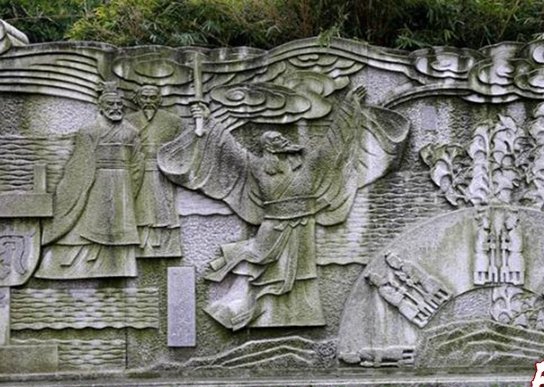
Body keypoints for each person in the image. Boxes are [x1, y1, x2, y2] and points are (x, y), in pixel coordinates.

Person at [158, 86, 409, 330]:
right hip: (272, 228)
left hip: (302, 227)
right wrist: (208, 121)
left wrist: (348, 108)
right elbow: (228, 148)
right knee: (262, 272)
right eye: (277, 140)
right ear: (269, 148)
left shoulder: (307, 167)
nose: (284, 141)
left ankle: (299, 317)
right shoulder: (256, 167)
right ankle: (248, 314)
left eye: (282, 138)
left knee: (301, 277)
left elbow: (333, 145)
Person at [36, 83, 143, 279]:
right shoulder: (88, 131)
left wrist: (131, 190)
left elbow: (137, 165)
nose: (115, 108)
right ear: (100, 107)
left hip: (123, 185)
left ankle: (118, 267)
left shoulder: (131, 132)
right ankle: (73, 264)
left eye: (119, 104)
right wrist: (71, 188)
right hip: (96, 182)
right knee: (89, 223)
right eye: (110, 104)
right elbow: (79, 163)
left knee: (120, 227)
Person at [127, 85, 184, 258]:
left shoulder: (173, 121)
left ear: (159, 99)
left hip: (163, 172)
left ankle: (167, 247)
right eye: (144, 97)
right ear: (137, 99)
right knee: (140, 211)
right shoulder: (128, 121)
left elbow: (186, 145)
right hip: (137, 172)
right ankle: (141, 247)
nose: (148, 101)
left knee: (164, 210)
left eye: (152, 97)